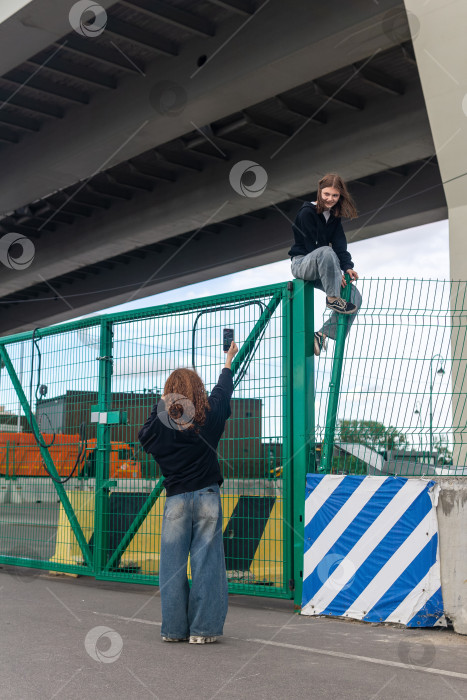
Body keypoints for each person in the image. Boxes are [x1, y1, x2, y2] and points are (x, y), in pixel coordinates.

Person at [138, 341, 238, 644]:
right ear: (198, 391)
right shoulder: (211, 416)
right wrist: (228, 360)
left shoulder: (160, 425)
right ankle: (203, 630)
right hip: (207, 495)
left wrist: (166, 401)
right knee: (207, 561)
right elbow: (222, 392)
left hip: (176, 500)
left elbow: (144, 435)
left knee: (171, 564)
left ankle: (173, 630)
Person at [288, 172, 362, 356]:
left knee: (354, 296)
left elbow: (340, 244)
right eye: (326, 194)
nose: (330, 199)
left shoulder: (334, 217)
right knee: (325, 251)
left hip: (325, 267)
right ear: (319, 192)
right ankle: (332, 299)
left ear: (340, 196)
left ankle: (322, 334)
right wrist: (336, 273)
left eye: (335, 195)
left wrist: (347, 267)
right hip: (303, 264)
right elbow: (313, 248)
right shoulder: (306, 213)